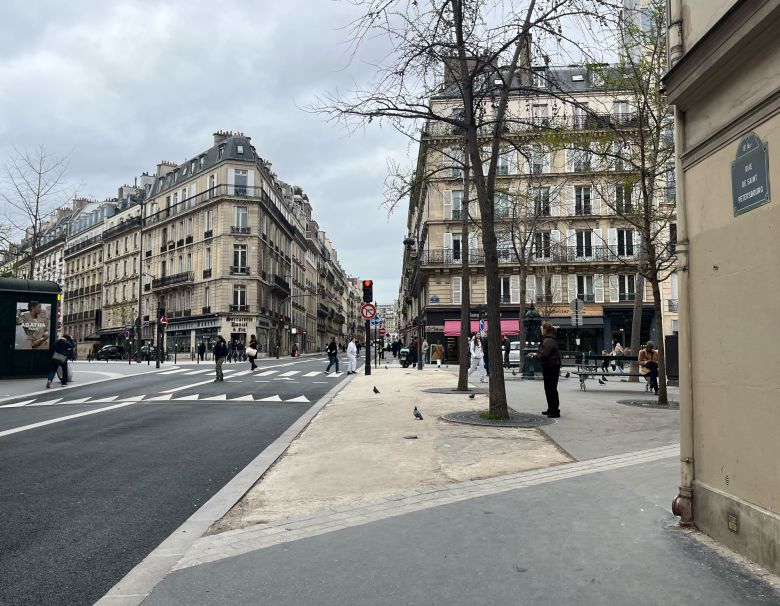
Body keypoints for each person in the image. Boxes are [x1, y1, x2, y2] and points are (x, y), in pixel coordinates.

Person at [535, 322, 562, 418]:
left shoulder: (549, 340)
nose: (541, 330)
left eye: (542, 329)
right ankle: (551, 408)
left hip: (551, 366)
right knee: (549, 388)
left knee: (551, 388)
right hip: (551, 365)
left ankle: (554, 410)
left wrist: (536, 355)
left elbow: (545, 354)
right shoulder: (549, 339)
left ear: (546, 330)